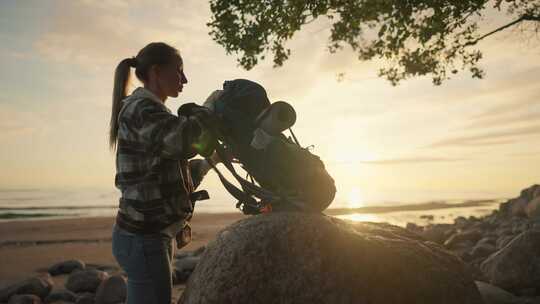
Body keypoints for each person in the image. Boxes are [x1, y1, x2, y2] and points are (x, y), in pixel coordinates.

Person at [108, 42, 220, 304]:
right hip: (143, 238)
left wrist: (212, 160)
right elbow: (183, 140)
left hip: (149, 236)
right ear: (156, 72)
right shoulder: (142, 110)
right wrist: (212, 107)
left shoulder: (154, 112)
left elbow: (171, 175)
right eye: (179, 71)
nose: (185, 79)